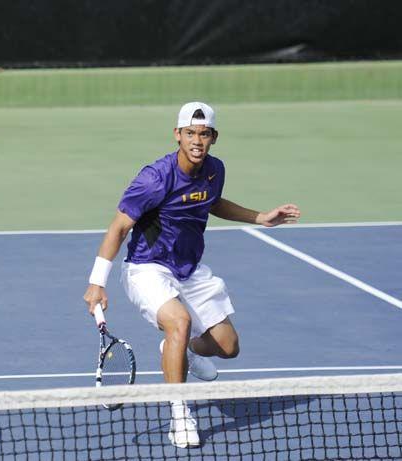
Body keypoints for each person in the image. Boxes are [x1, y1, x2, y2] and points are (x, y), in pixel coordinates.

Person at [83, 101, 300, 448]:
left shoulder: (215, 170)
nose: (197, 140)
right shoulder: (155, 177)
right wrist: (97, 281)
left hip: (190, 269)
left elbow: (212, 202)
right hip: (147, 267)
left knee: (228, 347)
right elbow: (119, 227)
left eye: (204, 134)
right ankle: (179, 413)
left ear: (214, 137)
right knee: (179, 322)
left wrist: (259, 217)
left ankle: (181, 350)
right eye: (190, 133)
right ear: (177, 135)